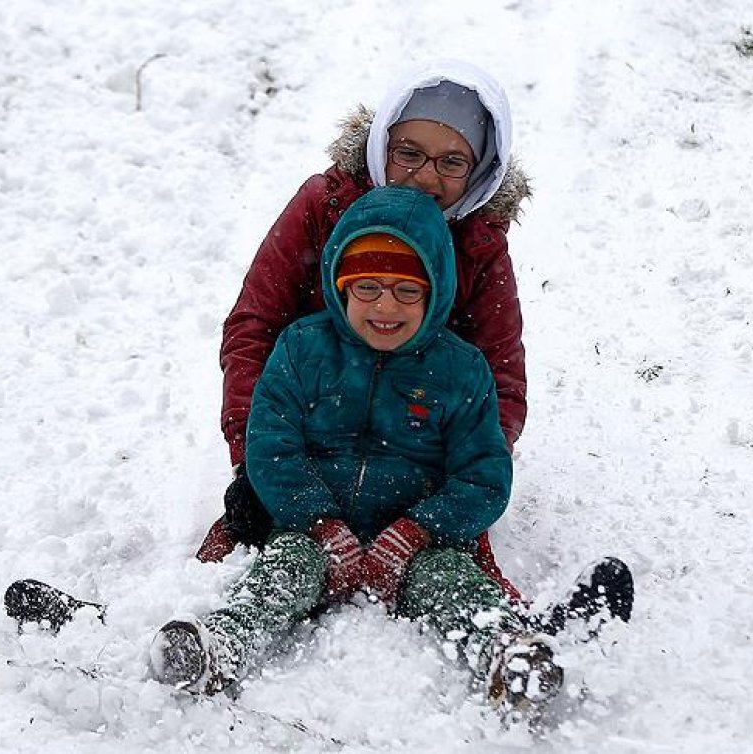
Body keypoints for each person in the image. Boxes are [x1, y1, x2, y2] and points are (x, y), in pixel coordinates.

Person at [150, 186, 562, 718]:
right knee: (283, 569)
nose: (385, 306)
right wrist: (319, 523)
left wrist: (418, 531)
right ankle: (219, 647)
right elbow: (271, 449)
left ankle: (506, 654)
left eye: (407, 291)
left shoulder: (461, 371)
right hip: (313, 529)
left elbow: (483, 475)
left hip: (417, 540)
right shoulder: (301, 350)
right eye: (367, 286)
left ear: (436, 292)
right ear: (340, 285)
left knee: (452, 582)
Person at [197, 59, 530, 601]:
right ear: (382, 144)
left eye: (452, 162)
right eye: (409, 153)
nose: (426, 176)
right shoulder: (327, 206)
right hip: (317, 424)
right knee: (263, 563)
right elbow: (254, 325)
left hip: (418, 438)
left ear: (480, 172)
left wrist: (461, 479)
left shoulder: (479, 241)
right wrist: (251, 457)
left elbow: (501, 377)